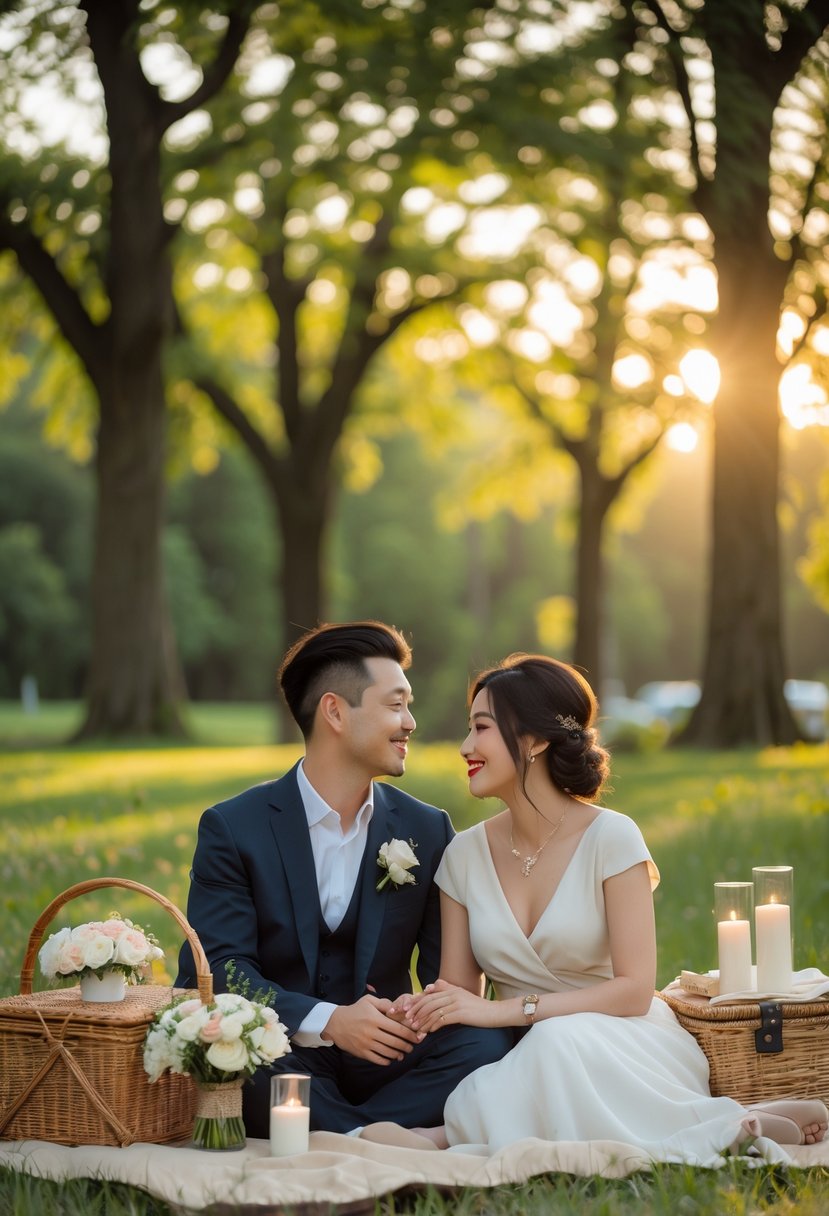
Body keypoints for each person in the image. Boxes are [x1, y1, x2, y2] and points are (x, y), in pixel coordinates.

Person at [365, 653, 828, 1163]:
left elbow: (633, 990)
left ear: (535, 740)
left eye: (481, 728)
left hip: (625, 1042)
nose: (465, 747)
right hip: (528, 1052)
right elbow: (459, 993)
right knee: (541, 1048)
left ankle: (448, 1139)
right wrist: (416, 1008)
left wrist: (509, 1010)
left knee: (556, 1041)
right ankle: (732, 1120)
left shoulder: (613, 836)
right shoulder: (463, 855)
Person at [175, 621, 512, 1137]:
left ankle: (342, 1132)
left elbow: (450, 977)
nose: (411, 722)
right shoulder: (234, 828)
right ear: (334, 711)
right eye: (396, 705)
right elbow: (221, 968)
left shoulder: (427, 828)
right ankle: (382, 1133)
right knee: (236, 1063)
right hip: (284, 1052)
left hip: (389, 1056)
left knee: (485, 1045)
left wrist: (413, 1011)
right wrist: (329, 1020)